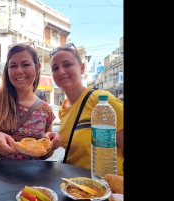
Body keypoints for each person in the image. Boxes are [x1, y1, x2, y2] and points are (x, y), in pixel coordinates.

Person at [49, 43, 124, 176]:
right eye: (55, 68)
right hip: (74, 187)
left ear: (82, 68)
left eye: (67, 65)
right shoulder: (62, 109)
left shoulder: (102, 101)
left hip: (104, 187)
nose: (60, 71)